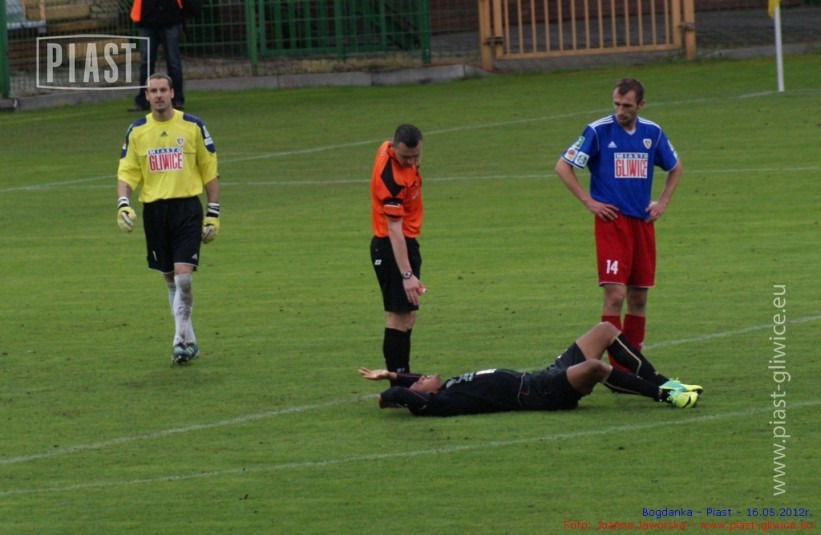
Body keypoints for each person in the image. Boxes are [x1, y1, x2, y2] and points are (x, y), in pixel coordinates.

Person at [554, 77, 683, 371]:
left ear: (641, 104)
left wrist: (662, 202)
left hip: (642, 224)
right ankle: (615, 369)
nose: (620, 111)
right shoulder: (598, 131)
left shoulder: (652, 133)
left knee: (639, 297)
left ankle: (632, 368)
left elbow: (675, 167)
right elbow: (563, 166)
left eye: (627, 106)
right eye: (616, 104)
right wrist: (589, 201)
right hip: (612, 224)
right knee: (615, 296)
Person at [359, 322, 702, 417]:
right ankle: (664, 396)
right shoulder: (444, 401)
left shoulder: (446, 386)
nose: (422, 377)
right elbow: (408, 396)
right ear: (425, 397)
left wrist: (391, 375)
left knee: (605, 330)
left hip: (542, 376)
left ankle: (666, 382)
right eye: (420, 382)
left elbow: (408, 386)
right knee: (595, 367)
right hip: (543, 394)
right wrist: (389, 395)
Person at [116, 73, 220, 364]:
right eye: (153, 91)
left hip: (186, 209)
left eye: (163, 90)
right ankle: (189, 339)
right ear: (147, 96)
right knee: (170, 278)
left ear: (173, 93)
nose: (159, 95)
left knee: (184, 276)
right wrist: (122, 204)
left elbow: (210, 170)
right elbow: (126, 172)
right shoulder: (137, 130)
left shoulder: (193, 126)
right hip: (155, 212)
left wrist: (213, 213)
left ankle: (180, 341)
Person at [369, 124, 426, 381]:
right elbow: (394, 229)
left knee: (408, 315)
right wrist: (407, 275)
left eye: (416, 156)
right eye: (405, 157)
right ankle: (399, 384)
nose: (411, 162)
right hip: (393, 246)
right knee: (398, 317)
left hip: (404, 243)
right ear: (394, 148)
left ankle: (403, 379)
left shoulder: (384, 146)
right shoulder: (391, 182)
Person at [129, 0, 186, 111]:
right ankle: (145, 99)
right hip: (150, 18)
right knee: (148, 62)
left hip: (168, 17)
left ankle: (176, 99)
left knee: (172, 62)